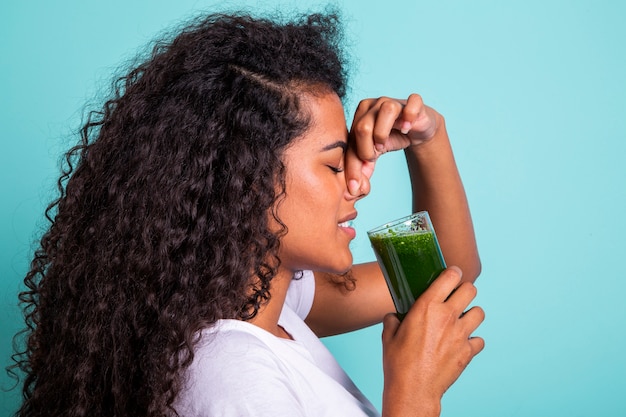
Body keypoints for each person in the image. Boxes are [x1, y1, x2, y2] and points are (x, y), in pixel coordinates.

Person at [9, 10, 484, 417]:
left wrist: (426, 139)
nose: (356, 184)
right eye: (334, 165)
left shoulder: (270, 307)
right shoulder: (232, 377)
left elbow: (447, 274)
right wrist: (413, 397)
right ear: (247, 181)